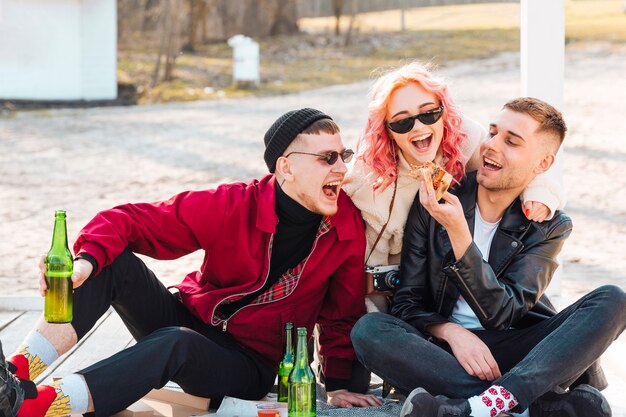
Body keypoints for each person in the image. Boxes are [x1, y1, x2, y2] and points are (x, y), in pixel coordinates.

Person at [0, 108, 382, 417]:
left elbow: (340, 315)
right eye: (327, 158)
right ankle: (13, 377)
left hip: (249, 365)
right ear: (286, 167)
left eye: (343, 156)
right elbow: (129, 220)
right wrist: (84, 263)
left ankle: (39, 405)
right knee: (111, 262)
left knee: (175, 344)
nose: (341, 169)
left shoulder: (344, 227)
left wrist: (337, 385)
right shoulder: (235, 204)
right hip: (194, 320)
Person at [351, 97, 626, 417]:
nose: (491, 145)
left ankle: (471, 408)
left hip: (523, 352)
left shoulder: (549, 225)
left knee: (613, 299)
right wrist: (450, 332)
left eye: (511, 141)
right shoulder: (438, 200)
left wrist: (458, 234)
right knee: (369, 330)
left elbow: (503, 314)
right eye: (493, 133)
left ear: (542, 165)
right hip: (445, 355)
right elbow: (407, 303)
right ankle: (530, 405)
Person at [343, 63, 565, 312]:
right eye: (402, 122)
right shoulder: (368, 184)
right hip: (407, 287)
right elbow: (369, 276)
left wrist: (540, 192)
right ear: (386, 130)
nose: (418, 127)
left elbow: (512, 170)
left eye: (428, 114)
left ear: (443, 111)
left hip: (471, 271)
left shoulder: (467, 140)